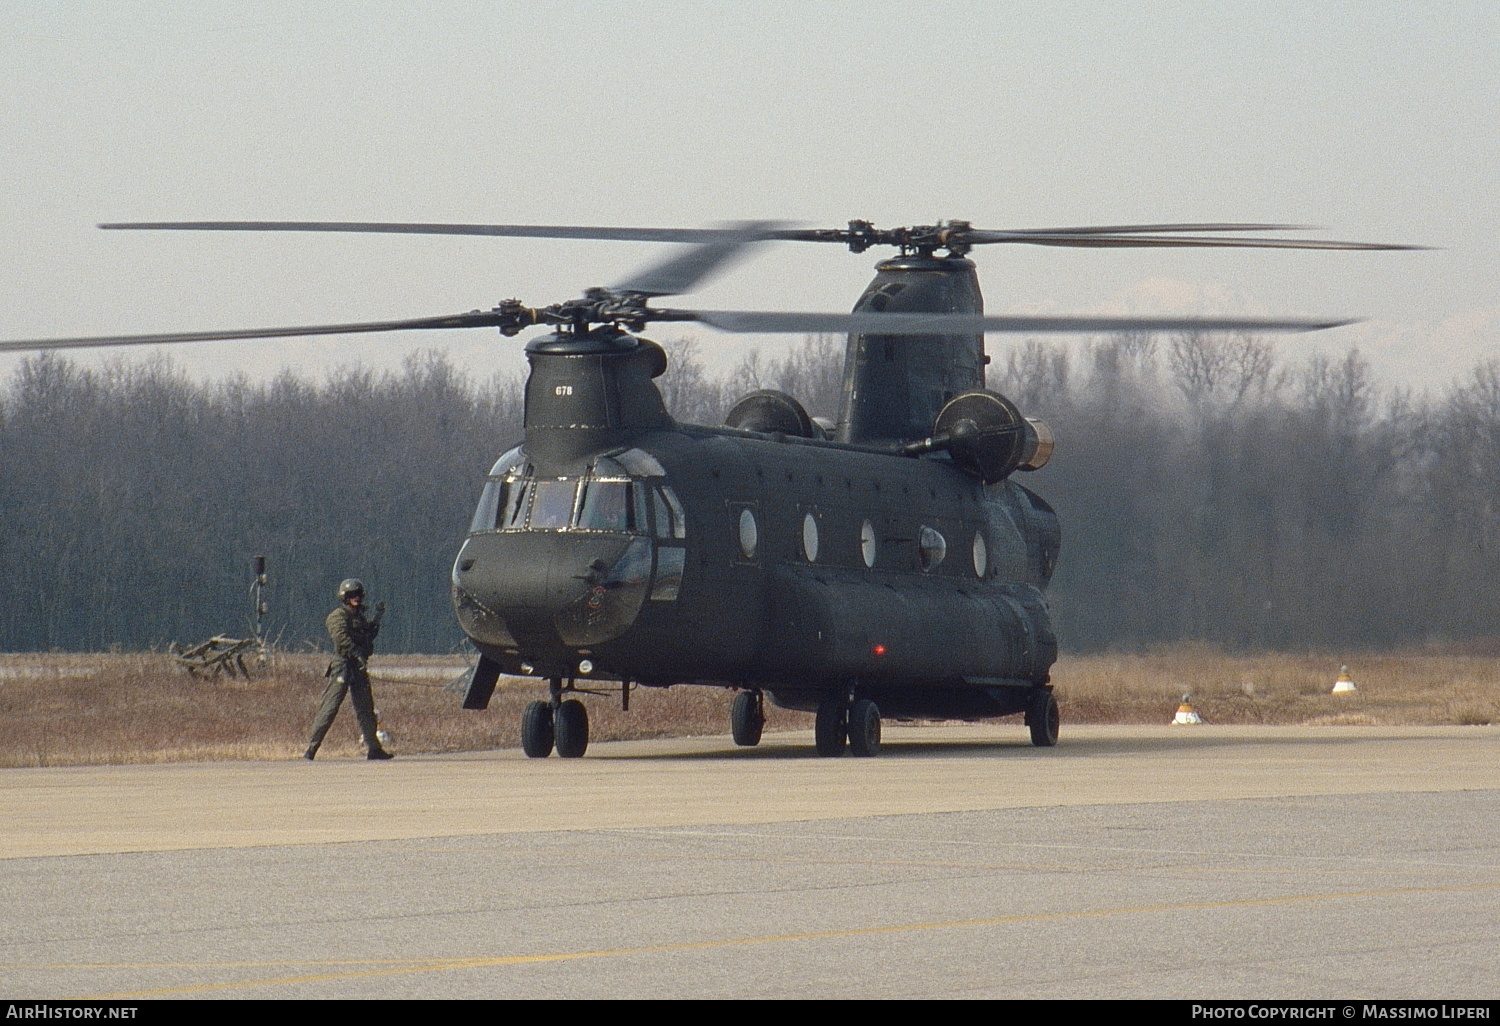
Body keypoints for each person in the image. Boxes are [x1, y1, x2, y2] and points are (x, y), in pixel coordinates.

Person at [304, 578, 393, 760]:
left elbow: (367, 636)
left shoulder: (359, 617)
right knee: (330, 707)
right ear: (344, 597)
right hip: (343, 665)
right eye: (352, 595)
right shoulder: (337, 616)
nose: (356, 598)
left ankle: (374, 749)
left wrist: (376, 619)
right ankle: (311, 748)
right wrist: (355, 652)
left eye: (358, 595)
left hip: (357, 666)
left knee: (366, 709)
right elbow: (340, 638)